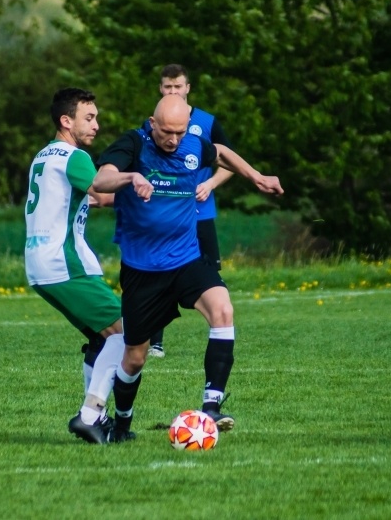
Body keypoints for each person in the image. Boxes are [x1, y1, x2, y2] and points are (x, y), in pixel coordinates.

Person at [91, 94, 283, 436]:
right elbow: (101, 180)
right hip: (143, 271)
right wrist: (130, 178)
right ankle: (121, 422)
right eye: (167, 132)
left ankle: (211, 407)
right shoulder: (132, 144)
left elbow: (220, 153)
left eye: (180, 133)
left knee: (222, 309)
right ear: (152, 124)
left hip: (186, 259)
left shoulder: (192, 145)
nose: (174, 140)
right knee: (135, 357)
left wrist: (256, 176)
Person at [24, 88, 131, 444]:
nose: (97, 125)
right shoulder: (74, 156)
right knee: (125, 331)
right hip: (63, 263)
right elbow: (100, 184)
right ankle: (90, 414)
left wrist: (152, 195)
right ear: (66, 121)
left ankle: (96, 419)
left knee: (101, 340)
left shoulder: (44, 156)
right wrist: (136, 178)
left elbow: (97, 197)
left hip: (41, 264)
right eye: (90, 117)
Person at [147, 63, 235, 358]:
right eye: (167, 87)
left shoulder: (207, 123)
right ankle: (155, 341)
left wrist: (210, 183)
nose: (173, 91)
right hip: (167, 215)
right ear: (161, 89)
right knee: (158, 271)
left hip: (201, 214)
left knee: (209, 274)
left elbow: (230, 163)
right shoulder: (155, 125)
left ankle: (220, 327)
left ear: (188, 88)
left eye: (178, 86)